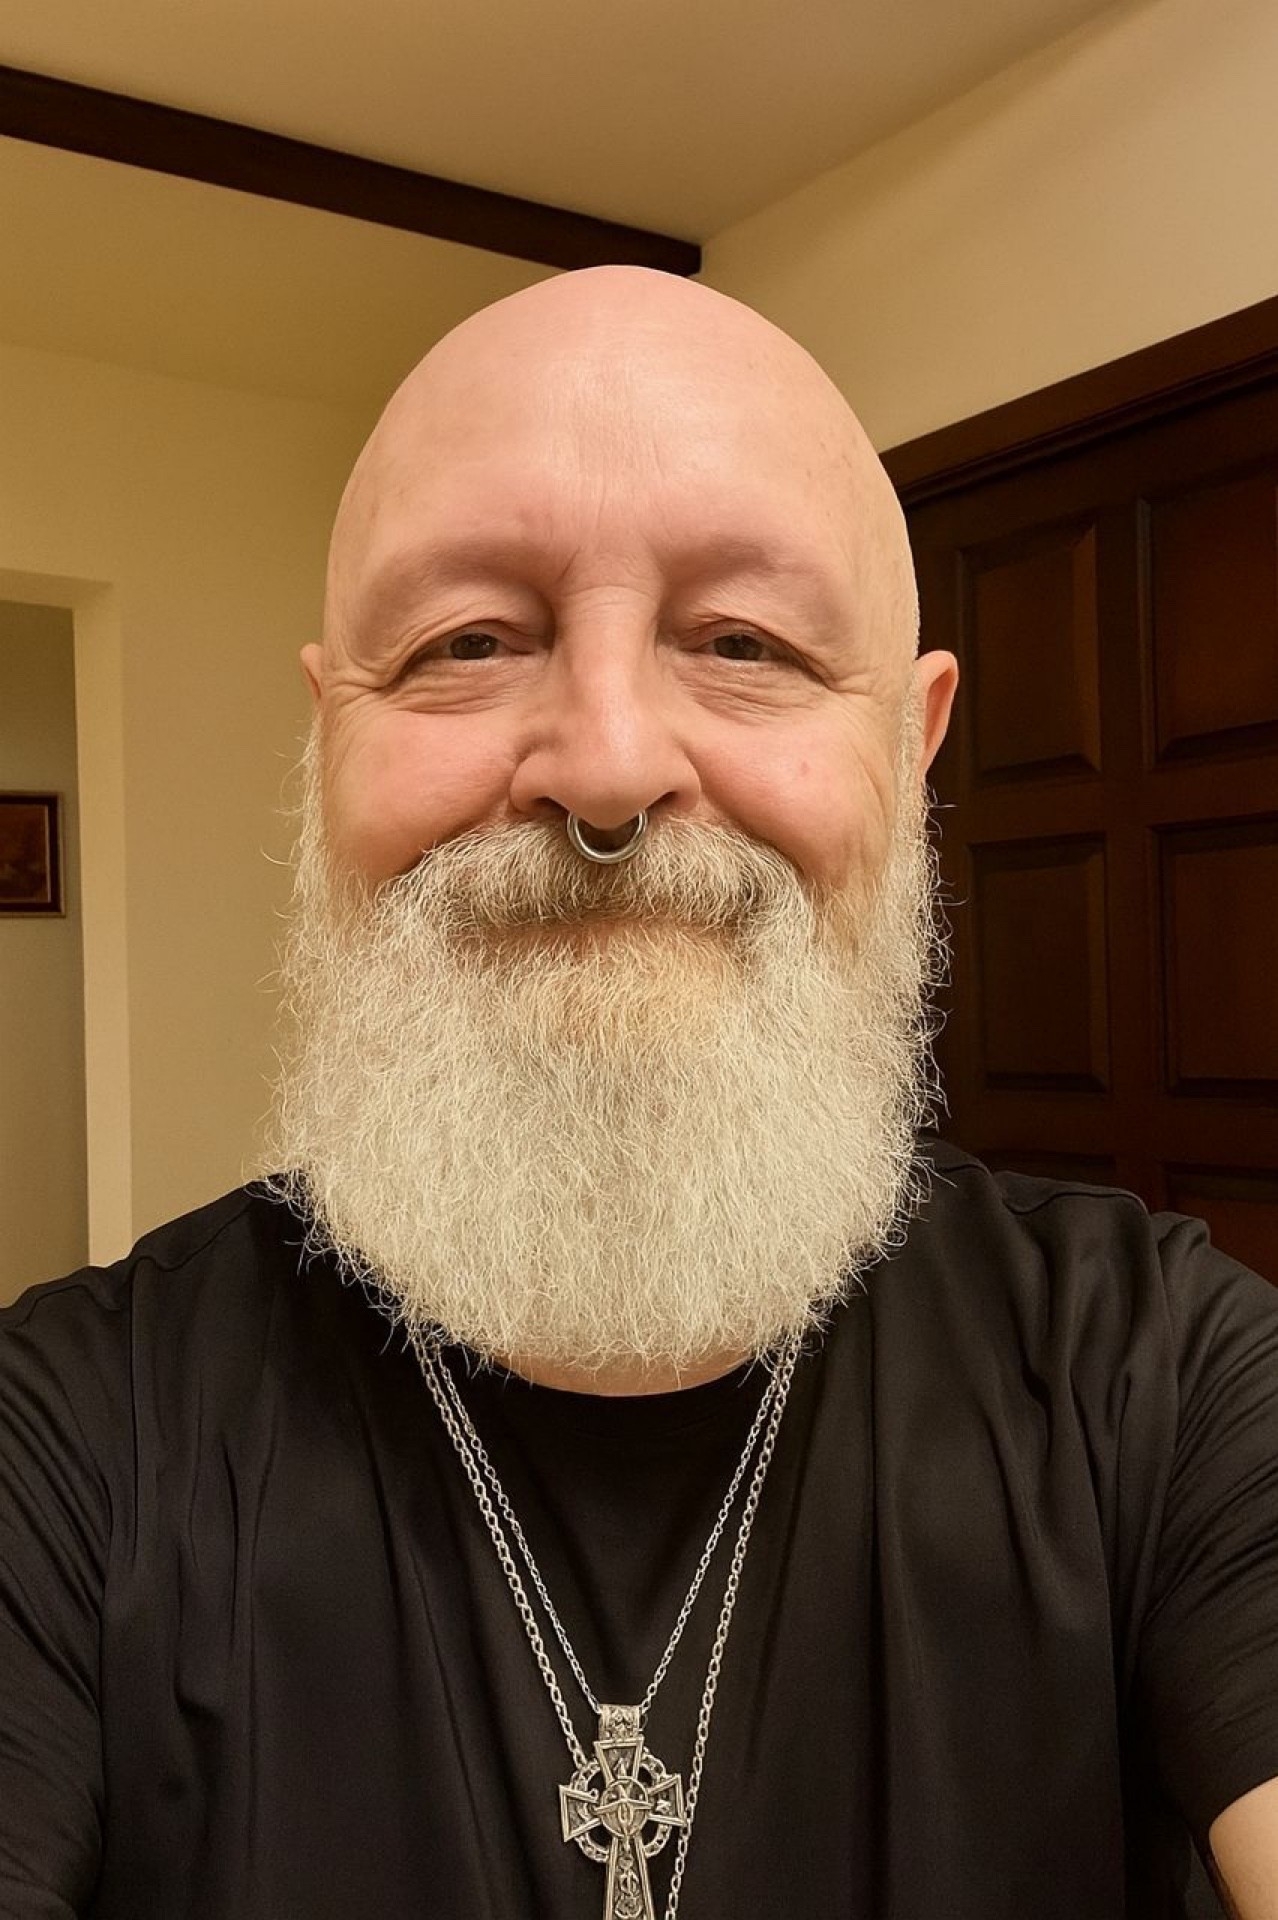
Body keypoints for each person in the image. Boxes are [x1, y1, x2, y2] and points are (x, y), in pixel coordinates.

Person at [2, 267, 1277, 1920]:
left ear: (909, 746)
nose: (605, 766)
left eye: (743, 644)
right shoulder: (64, 1441)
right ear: (329, 744)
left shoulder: (1173, 1382)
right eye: (467, 643)